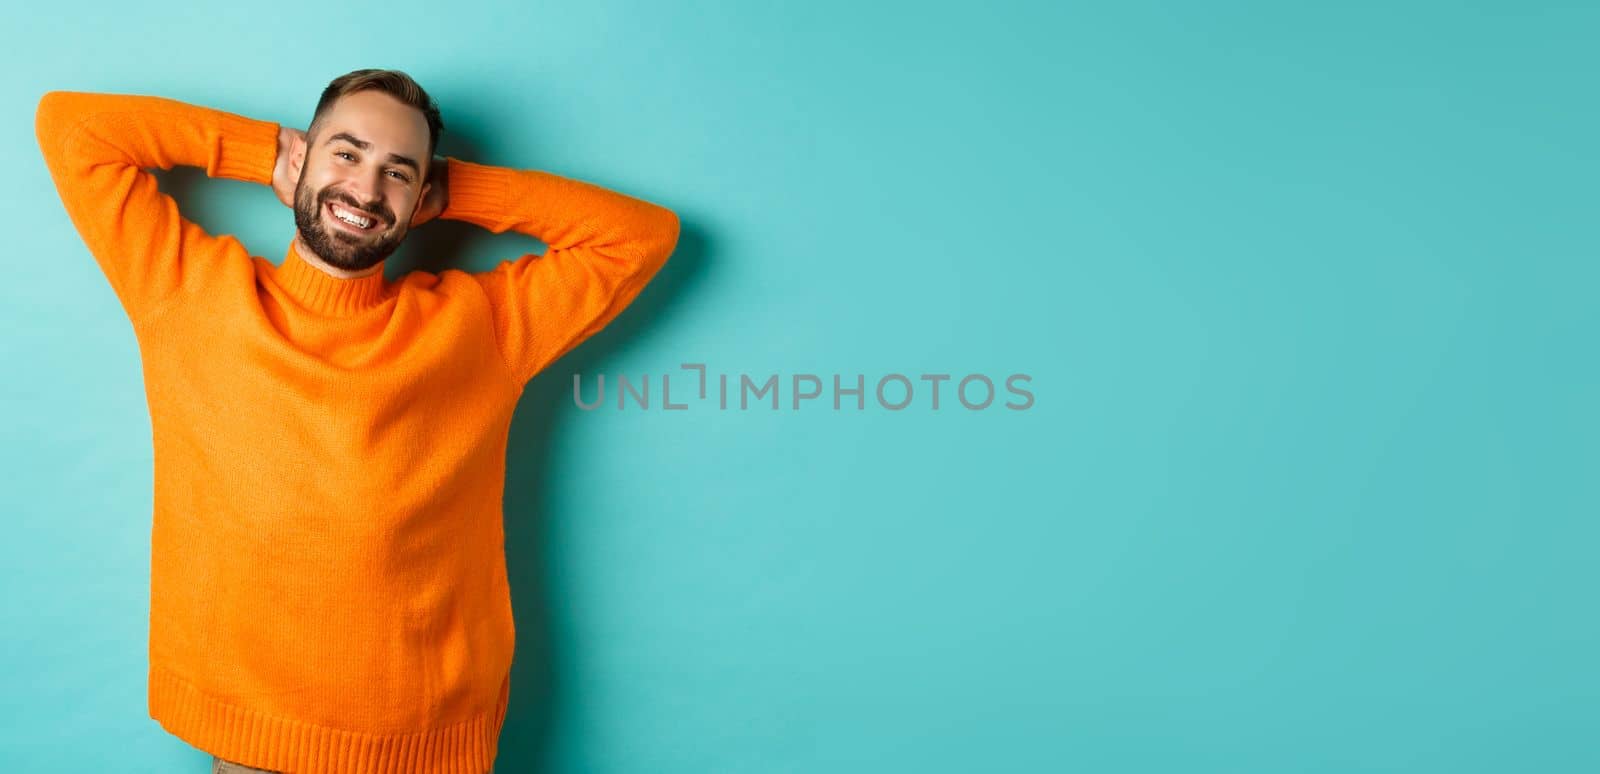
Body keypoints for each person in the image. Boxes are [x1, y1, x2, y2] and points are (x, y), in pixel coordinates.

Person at [35, 68, 680, 774]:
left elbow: (640, 235)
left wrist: (450, 188)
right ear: (304, 156)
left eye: (396, 173)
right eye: (346, 153)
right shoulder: (187, 290)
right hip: (253, 736)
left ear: (421, 197)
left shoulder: (482, 326)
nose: (367, 191)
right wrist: (263, 153)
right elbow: (76, 128)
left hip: (423, 739)